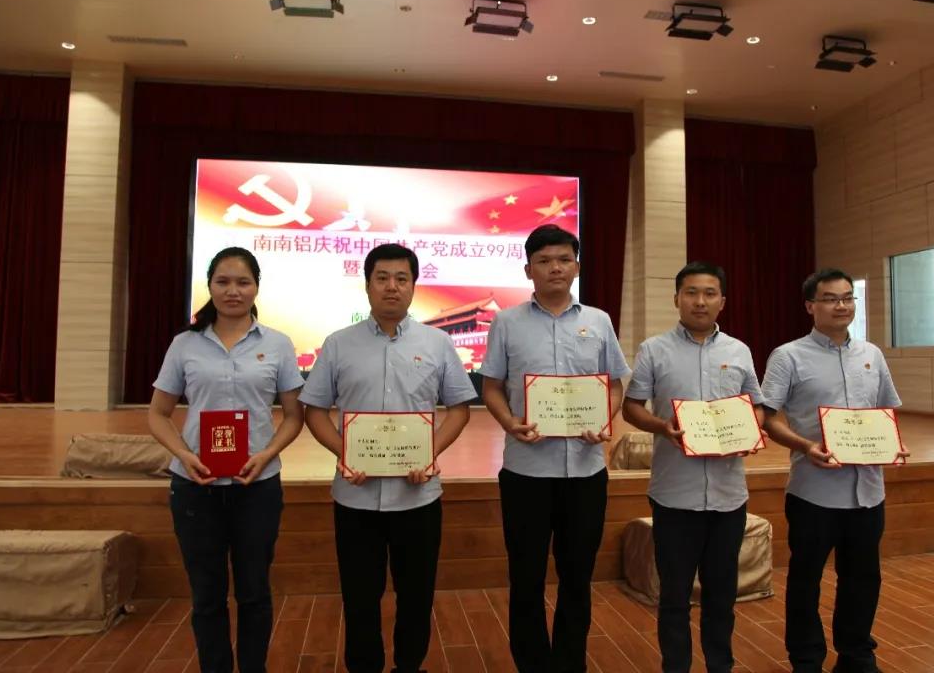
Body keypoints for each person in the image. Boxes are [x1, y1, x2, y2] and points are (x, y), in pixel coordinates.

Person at [300, 243, 476, 673]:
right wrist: (344, 453)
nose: (391, 287)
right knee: (359, 595)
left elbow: (459, 409)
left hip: (418, 496)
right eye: (382, 278)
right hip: (355, 497)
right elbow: (314, 411)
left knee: (417, 594)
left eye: (401, 278)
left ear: (414, 286)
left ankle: (409, 666)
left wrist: (430, 453)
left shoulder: (437, 343)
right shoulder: (338, 344)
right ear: (367, 285)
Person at [479, 224, 630, 673]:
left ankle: (569, 663)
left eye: (563, 259)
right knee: (525, 578)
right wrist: (510, 423)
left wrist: (603, 418)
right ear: (528, 270)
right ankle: (531, 664)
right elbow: (491, 387)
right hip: (525, 473)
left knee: (577, 578)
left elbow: (614, 385)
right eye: (544, 261)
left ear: (577, 266)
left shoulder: (598, 321)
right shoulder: (506, 322)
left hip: (585, 473)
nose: (555, 268)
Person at [148, 246, 305, 673]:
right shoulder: (185, 344)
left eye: (242, 282)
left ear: (256, 288)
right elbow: (158, 414)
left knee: (254, 592)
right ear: (210, 286)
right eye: (223, 282)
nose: (233, 291)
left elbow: (294, 416)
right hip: (194, 487)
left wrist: (267, 454)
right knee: (207, 596)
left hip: (257, 486)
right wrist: (184, 455)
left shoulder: (277, 344)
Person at [760, 268, 907, 673]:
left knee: (863, 578)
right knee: (806, 580)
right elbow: (767, 417)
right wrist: (805, 446)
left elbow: (885, 411)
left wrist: (892, 442)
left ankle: (856, 656)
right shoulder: (788, 356)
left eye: (847, 298)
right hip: (814, 492)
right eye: (830, 298)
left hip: (868, 491)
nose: (841, 305)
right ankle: (806, 660)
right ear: (810, 306)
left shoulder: (872, 354)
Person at [622, 261, 765, 673]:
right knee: (674, 597)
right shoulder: (654, 349)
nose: (700, 301)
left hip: (728, 497)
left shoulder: (739, 351)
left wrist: (750, 430)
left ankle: (721, 665)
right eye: (691, 292)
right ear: (676, 299)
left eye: (709, 293)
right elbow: (632, 408)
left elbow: (755, 405)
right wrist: (661, 427)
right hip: (674, 495)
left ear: (722, 301)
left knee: (721, 596)